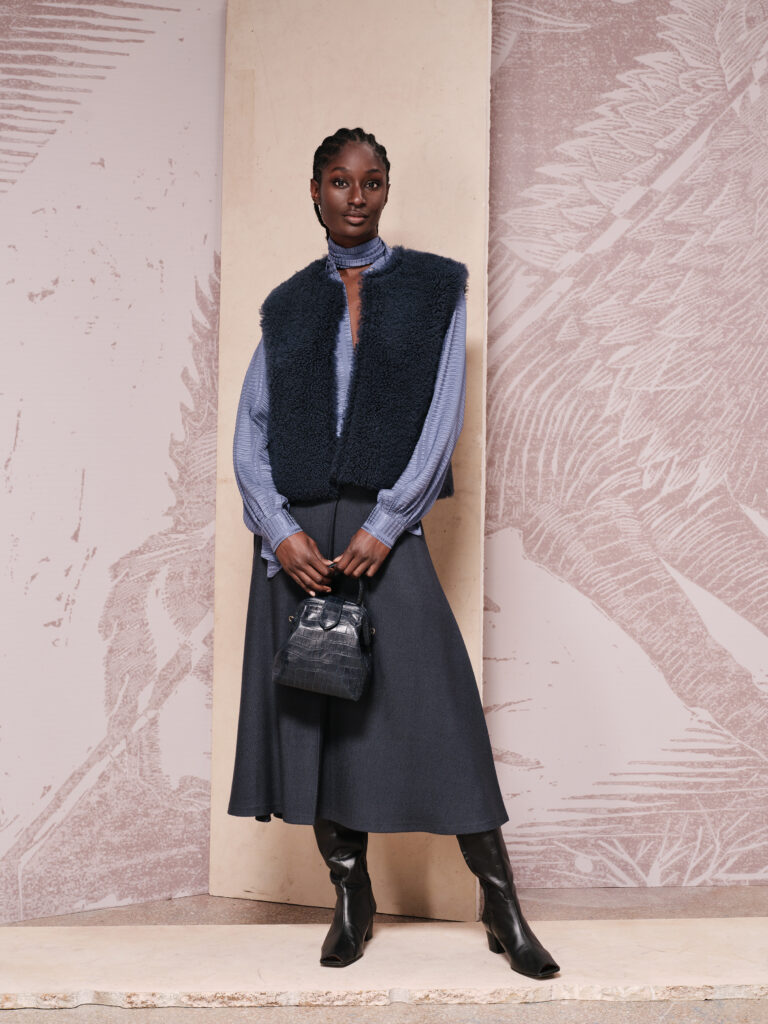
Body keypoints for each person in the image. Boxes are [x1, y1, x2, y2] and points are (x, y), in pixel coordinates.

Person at [228, 127, 560, 979]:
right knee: (320, 720)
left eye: (371, 182)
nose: (357, 196)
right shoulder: (286, 305)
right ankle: (352, 897)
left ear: (386, 189)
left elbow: (443, 417)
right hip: (300, 539)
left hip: (385, 529)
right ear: (315, 192)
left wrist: (389, 522)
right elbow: (251, 432)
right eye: (340, 182)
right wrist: (279, 531)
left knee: (439, 707)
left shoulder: (435, 288)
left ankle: (500, 905)